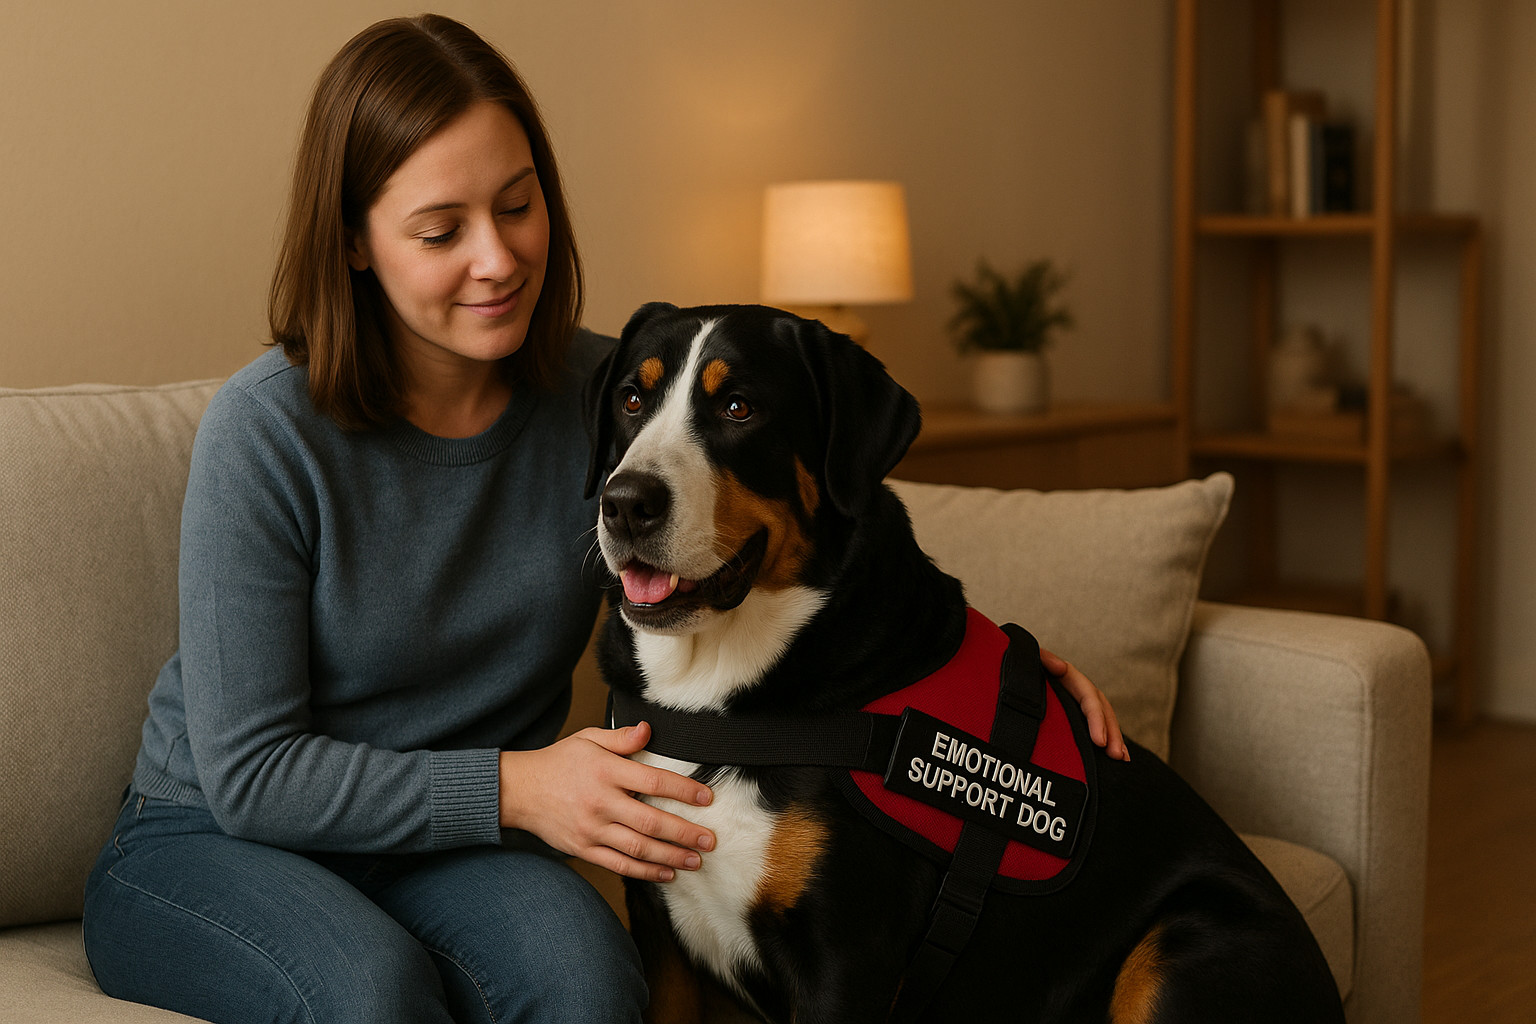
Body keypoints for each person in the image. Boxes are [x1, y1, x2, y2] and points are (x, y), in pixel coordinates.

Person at [81, 14, 1126, 1024]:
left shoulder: (617, 394)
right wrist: (520, 787)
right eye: (442, 230)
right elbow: (255, 775)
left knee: (591, 990)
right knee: (370, 994)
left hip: (454, 849)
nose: (497, 260)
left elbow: (820, 523)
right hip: (212, 838)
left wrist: (1004, 687)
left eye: (519, 205)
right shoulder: (264, 432)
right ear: (356, 242)